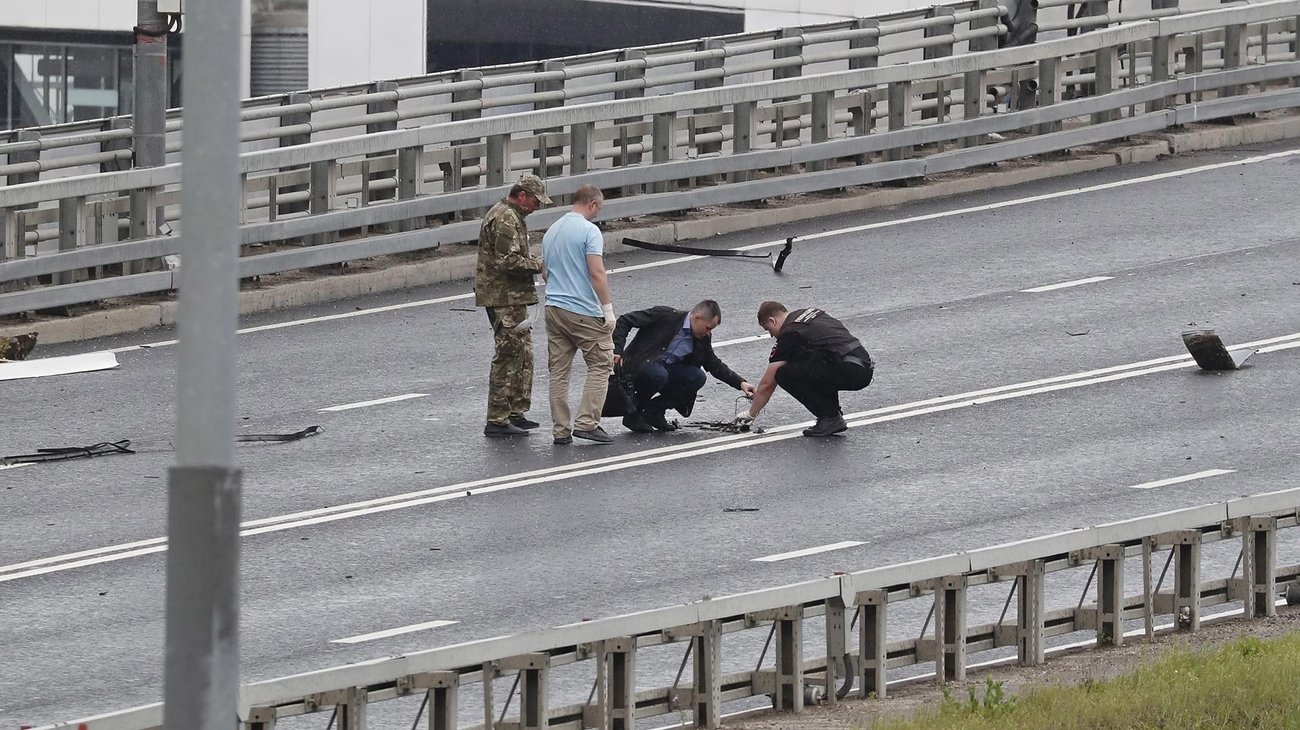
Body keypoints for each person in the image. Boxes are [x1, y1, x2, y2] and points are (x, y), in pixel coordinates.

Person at [475, 174, 552, 437]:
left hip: (513, 297)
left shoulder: (513, 216)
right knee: (508, 356)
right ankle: (497, 419)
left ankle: (515, 412)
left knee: (523, 355)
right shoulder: (505, 218)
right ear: (521, 196)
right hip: (502, 297)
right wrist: (539, 265)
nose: (536, 207)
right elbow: (507, 261)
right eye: (534, 201)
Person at [541, 185, 616, 446]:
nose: (597, 214)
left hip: (553, 307)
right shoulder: (589, 231)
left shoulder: (552, 230)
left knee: (559, 372)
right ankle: (587, 422)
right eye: (599, 209)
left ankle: (561, 429)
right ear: (593, 204)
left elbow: (545, 272)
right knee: (601, 362)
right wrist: (607, 308)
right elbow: (597, 272)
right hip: (581, 309)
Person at [612, 300, 756, 432]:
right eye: (707, 328)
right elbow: (625, 320)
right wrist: (617, 350)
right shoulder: (666, 316)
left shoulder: (702, 338)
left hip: (663, 371)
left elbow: (713, 363)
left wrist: (740, 383)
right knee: (658, 374)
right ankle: (633, 415)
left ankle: (654, 411)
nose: (708, 333)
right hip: (639, 366)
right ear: (697, 318)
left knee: (697, 377)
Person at [739, 301, 873, 437]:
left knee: (784, 374)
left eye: (768, 329)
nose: (771, 335)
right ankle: (831, 415)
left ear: (772, 321)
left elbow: (768, 383)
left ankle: (830, 417)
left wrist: (751, 413)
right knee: (807, 362)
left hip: (850, 370)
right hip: (862, 364)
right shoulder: (810, 314)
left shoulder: (790, 333)